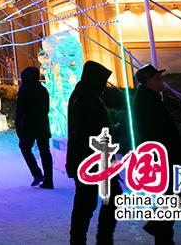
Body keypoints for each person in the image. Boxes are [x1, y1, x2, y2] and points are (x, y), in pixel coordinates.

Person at [67, 61, 121, 245]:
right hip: (92, 161)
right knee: (89, 201)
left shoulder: (85, 95)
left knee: (91, 201)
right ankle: (87, 239)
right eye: (103, 81)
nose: (105, 86)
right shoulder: (85, 99)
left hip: (93, 160)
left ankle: (84, 238)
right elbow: (87, 133)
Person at [132, 64, 181, 245]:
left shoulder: (149, 97)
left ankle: (160, 229)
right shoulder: (146, 100)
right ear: (149, 82)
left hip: (164, 155)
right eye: (157, 78)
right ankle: (160, 230)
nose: (162, 81)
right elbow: (152, 131)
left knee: (174, 194)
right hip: (163, 157)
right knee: (173, 193)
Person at [15, 66, 53, 189]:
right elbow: (46, 109)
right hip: (42, 125)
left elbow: (20, 111)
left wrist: (19, 127)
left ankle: (37, 174)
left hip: (29, 126)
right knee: (45, 152)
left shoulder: (24, 90)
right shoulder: (43, 90)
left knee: (25, 148)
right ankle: (48, 180)